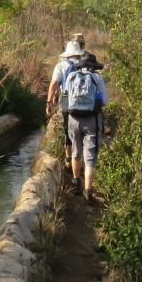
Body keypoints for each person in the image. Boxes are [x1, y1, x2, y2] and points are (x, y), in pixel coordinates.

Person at [63, 52, 107, 203]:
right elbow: (105, 101)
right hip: (91, 120)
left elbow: (65, 97)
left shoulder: (71, 76)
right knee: (90, 156)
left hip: (73, 119)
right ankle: (88, 192)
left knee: (76, 151)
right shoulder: (97, 78)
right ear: (93, 66)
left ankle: (76, 184)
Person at [46, 40, 85, 158]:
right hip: (84, 99)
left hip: (67, 100)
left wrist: (49, 102)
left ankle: (68, 157)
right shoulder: (85, 64)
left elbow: (54, 84)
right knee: (83, 126)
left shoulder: (61, 65)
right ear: (78, 53)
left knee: (67, 128)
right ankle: (82, 155)